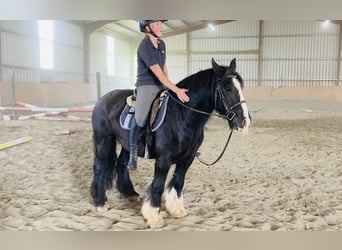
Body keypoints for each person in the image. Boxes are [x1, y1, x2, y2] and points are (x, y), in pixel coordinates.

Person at [127, 20, 190, 171]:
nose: (161, 27)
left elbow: (163, 70)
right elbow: (158, 74)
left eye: (160, 24)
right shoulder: (144, 47)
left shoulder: (161, 45)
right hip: (147, 85)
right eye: (156, 24)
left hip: (161, 84)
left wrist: (169, 85)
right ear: (147, 28)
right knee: (140, 118)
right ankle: (133, 153)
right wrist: (176, 89)